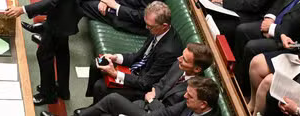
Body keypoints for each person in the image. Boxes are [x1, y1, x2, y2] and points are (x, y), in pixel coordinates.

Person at [74, 42, 214, 116]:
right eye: (182, 56)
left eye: (184, 59)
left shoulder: (195, 90)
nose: (179, 59)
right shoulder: (178, 65)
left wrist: (152, 100)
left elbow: (170, 111)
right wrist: (155, 93)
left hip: (154, 108)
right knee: (101, 86)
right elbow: (162, 83)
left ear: (197, 69)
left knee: (113, 99)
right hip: (148, 101)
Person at [83, 0, 182, 103]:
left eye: (150, 26)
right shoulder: (157, 30)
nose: (146, 28)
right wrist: (115, 57)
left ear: (164, 26)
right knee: (97, 63)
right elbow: (139, 57)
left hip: (144, 88)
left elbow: (146, 83)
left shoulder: (168, 51)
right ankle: (95, 104)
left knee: (101, 86)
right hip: (138, 72)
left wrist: (115, 74)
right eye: (146, 24)